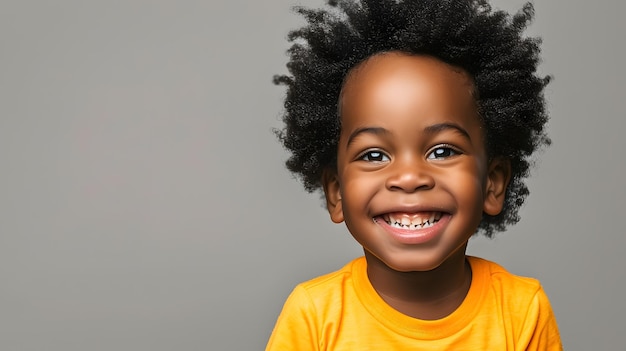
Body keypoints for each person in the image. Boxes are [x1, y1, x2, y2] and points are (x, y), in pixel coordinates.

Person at [267, 0, 562, 349]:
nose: (409, 178)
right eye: (374, 155)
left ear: (493, 183)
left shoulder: (522, 310)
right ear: (336, 193)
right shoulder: (313, 315)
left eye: (442, 151)